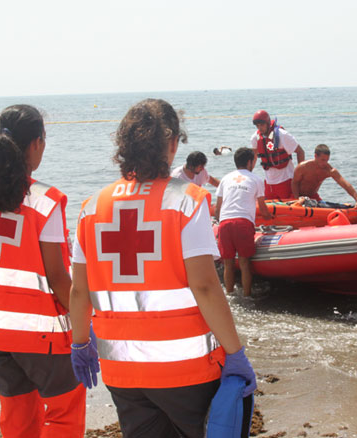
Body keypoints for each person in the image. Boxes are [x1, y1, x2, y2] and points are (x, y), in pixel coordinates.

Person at [68, 99, 257, 438]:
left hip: (121, 371)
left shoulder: (92, 208)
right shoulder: (186, 200)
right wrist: (235, 352)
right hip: (185, 373)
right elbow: (205, 287)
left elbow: (80, 289)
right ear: (172, 144)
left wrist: (80, 343)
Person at [0, 104, 86, 437]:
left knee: (17, 411)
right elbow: (58, 279)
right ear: (37, 143)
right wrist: (87, 326)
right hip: (40, 333)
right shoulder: (43, 201)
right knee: (64, 412)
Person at [215, 147, 273, 297]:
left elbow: (218, 207)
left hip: (225, 222)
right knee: (244, 263)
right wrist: (270, 217)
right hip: (242, 223)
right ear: (249, 162)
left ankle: (229, 294)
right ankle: (247, 296)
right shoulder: (256, 179)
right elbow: (263, 207)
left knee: (228, 263)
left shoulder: (226, 178)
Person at [250, 109, 305, 199]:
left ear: (268, 123)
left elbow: (300, 152)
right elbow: (253, 157)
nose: (260, 128)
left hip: (286, 180)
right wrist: (248, 174)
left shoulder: (282, 135)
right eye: (257, 126)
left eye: (262, 125)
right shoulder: (255, 138)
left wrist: (300, 176)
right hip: (269, 183)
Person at [291, 143, 357, 207]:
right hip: (297, 196)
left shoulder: (329, 170)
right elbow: (294, 183)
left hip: (313, 197)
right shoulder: (303, 167)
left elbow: (345, 184)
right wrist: (297, 199)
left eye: (327, 160)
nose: (325, 163)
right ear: (315, 156)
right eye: (323, 160)